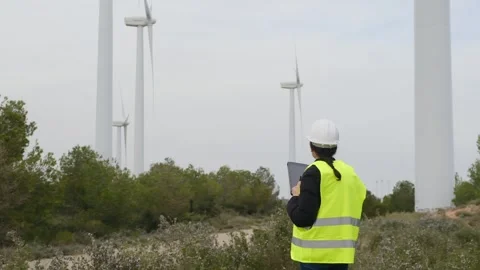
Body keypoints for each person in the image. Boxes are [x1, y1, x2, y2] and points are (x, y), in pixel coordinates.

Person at [287, 119, 366, 270]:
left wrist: (295, 197)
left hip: (314, 258)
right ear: (335, 146)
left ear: (312, 147)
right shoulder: (350, 173)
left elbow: (303, 218)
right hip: (341, 257)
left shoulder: (314, 172)